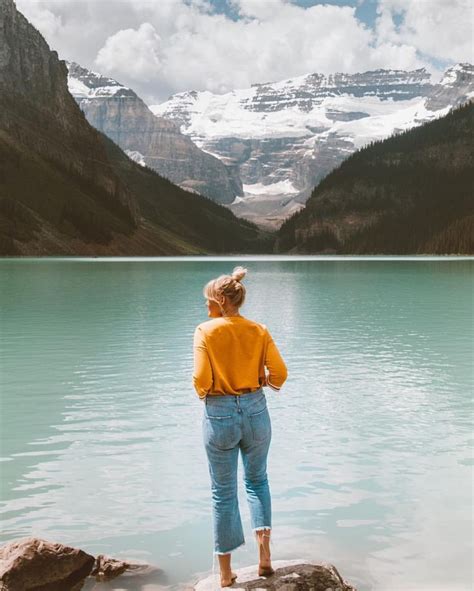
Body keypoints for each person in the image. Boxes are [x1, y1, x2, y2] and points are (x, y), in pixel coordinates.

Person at [192, 265, 288, 587]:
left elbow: (202, 379)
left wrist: (209, 393)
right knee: (258, 481)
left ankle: (225, 574)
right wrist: (261, 379)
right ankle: (264, 557)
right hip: (256, 411)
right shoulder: (259, 330)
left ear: (221, 300)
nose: (206, 307)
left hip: (219, 415)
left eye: (209, 301)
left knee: (223, 493)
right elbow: (280, 375)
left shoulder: (206, 331)